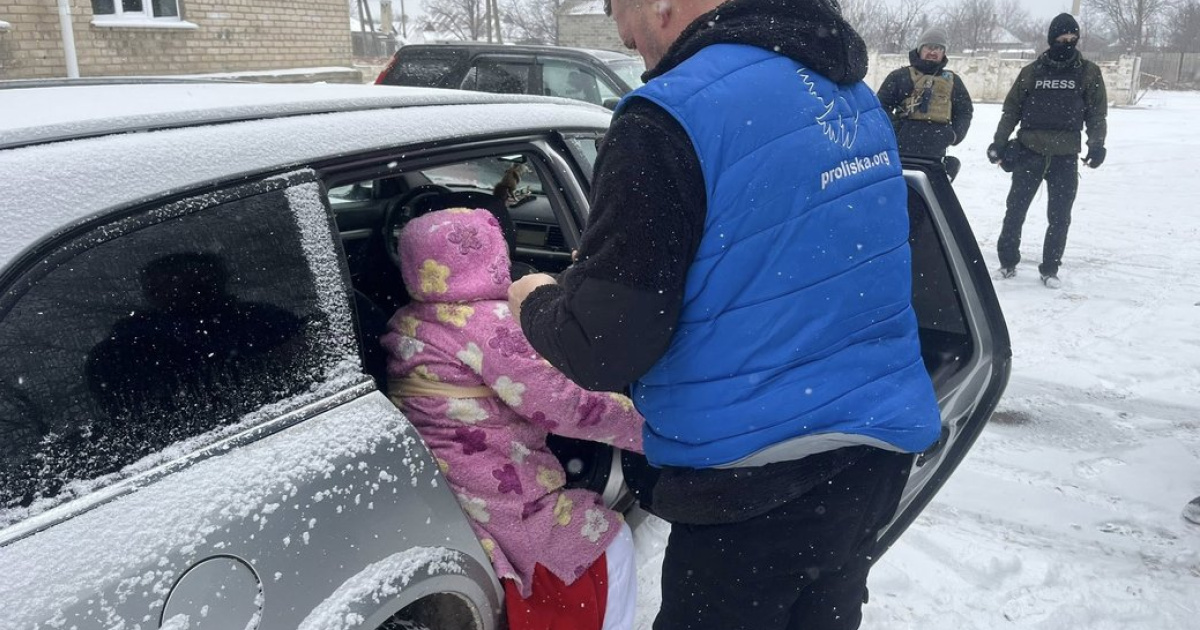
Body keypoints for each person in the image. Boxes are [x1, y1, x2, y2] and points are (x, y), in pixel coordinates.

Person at [506, 0, 943, 628]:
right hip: (871, 456)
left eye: (623, 25)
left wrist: (536, 298)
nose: (633, 48)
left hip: (752, 482)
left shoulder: (668, 115)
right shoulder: (848, 93)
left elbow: (604, 346)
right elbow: (788, 249)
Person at [380, 208, 644, 630]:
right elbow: (565, 406)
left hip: (445, 486)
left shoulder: (407, 321)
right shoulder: (494, 326)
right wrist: (647, 429)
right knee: (610, 541)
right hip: (502, 490)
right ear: (494, 253)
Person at [988, 12, 1108, 289]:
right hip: (1029, 151)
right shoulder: (1031, 72)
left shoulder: (1088, 72)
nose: (1067, 42)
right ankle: (1007, 262)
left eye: (1072, 38)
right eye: (1062, 38)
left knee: (1060, 216)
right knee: (1015, 210)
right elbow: (1011, 111)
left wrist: (1097, 145)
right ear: (1051, 39)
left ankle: (1050, 268)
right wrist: (999, 142)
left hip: (1065, 156)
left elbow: (1096, 114)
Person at [877, 27, 974, 181]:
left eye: (939, 48)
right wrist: (896, 130)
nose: (933, 52)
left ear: (943, 52)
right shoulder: (899, 76)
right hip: (901, 152)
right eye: (929, 47)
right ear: (920, 49)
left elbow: (964, 111)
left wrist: (954, 135)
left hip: (935, 153)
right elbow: (880, 107)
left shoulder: (953, 81)